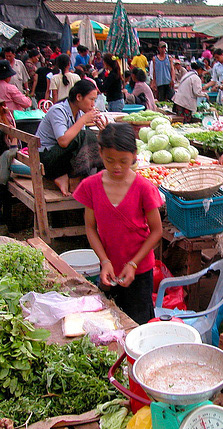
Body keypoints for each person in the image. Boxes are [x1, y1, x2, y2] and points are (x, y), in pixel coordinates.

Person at [73, 123, 163, 324]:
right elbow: (90, 227)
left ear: (134, 155)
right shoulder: (91, 186)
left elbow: (156, 232)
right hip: (109, 270)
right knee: (109, 321)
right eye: (109, 160)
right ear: (100, 153)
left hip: (139, 271)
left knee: (138, 322)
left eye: (124, 161)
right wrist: (104, 261)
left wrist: (133, 263)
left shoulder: (143, 188)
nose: (117, 167)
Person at [36, 80, 107, 196]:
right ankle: (74, 180)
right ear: (79, 97)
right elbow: (63, 141)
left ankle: (79, 178)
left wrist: (102, 129)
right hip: (46, 159)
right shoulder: (58, 110)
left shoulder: (78, 113)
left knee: (91, 138)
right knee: (86, 135)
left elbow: (82, 144)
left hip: (62, 158)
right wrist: (83, 120)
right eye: (91, 99)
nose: (93, 104)